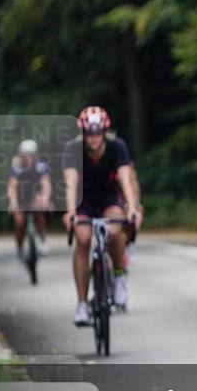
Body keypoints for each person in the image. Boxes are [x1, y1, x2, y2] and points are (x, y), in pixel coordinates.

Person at [62, 107, 144, 326]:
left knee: (115, 230)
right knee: (83, 239)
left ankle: (118, 277)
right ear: (83, 134)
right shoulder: (73, 149)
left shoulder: (118, 147)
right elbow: (70, 184)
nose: (94, 138)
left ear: (105, 133)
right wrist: (70, 211)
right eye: (90, 134)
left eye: (98, 134)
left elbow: (126, 179)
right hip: (83, 198)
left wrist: (132, 208)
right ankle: (81, 305)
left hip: (109, 196)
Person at [7, 139, 51, 259]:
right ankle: (20, 249)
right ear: (21, 155)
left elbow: (46, 184)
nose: (28, 157)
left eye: (31, 154)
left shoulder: (41, 167)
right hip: (20, 198)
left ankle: (42, 239)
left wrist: (45, 199)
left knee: (39, 209)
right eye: (25, 155)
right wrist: (13, 203)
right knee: (19, 223)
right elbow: (12, 187)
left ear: (36, 155)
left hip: (34, 196)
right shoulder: (16, 168)